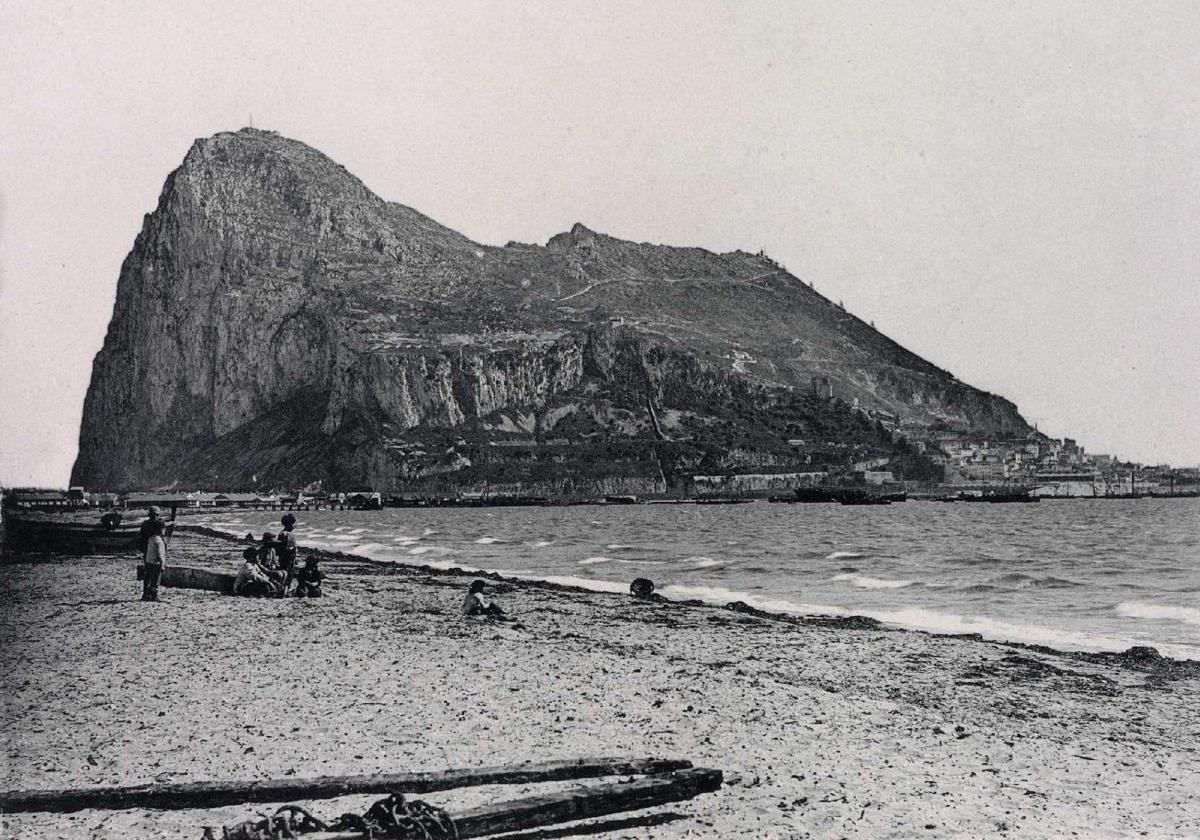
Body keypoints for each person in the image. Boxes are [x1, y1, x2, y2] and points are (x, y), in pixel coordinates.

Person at [141, 519, 167, 602]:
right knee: (156, 580)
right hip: (156, 563)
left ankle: (146, 594)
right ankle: (154, 595)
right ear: (160, 529)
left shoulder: (151, 539)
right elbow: (159, 553)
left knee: (148, 578)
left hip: (149, 561)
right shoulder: (158, 541)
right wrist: (162, 563)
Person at [275, 514, 299, 583]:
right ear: (288, 525)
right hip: (286, 558)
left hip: (290, 558)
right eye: (292, 524)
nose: (293, 526)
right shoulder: (284, 534)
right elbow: (282, 548)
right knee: (286, 575)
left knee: (288, 575)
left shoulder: (287, 534)